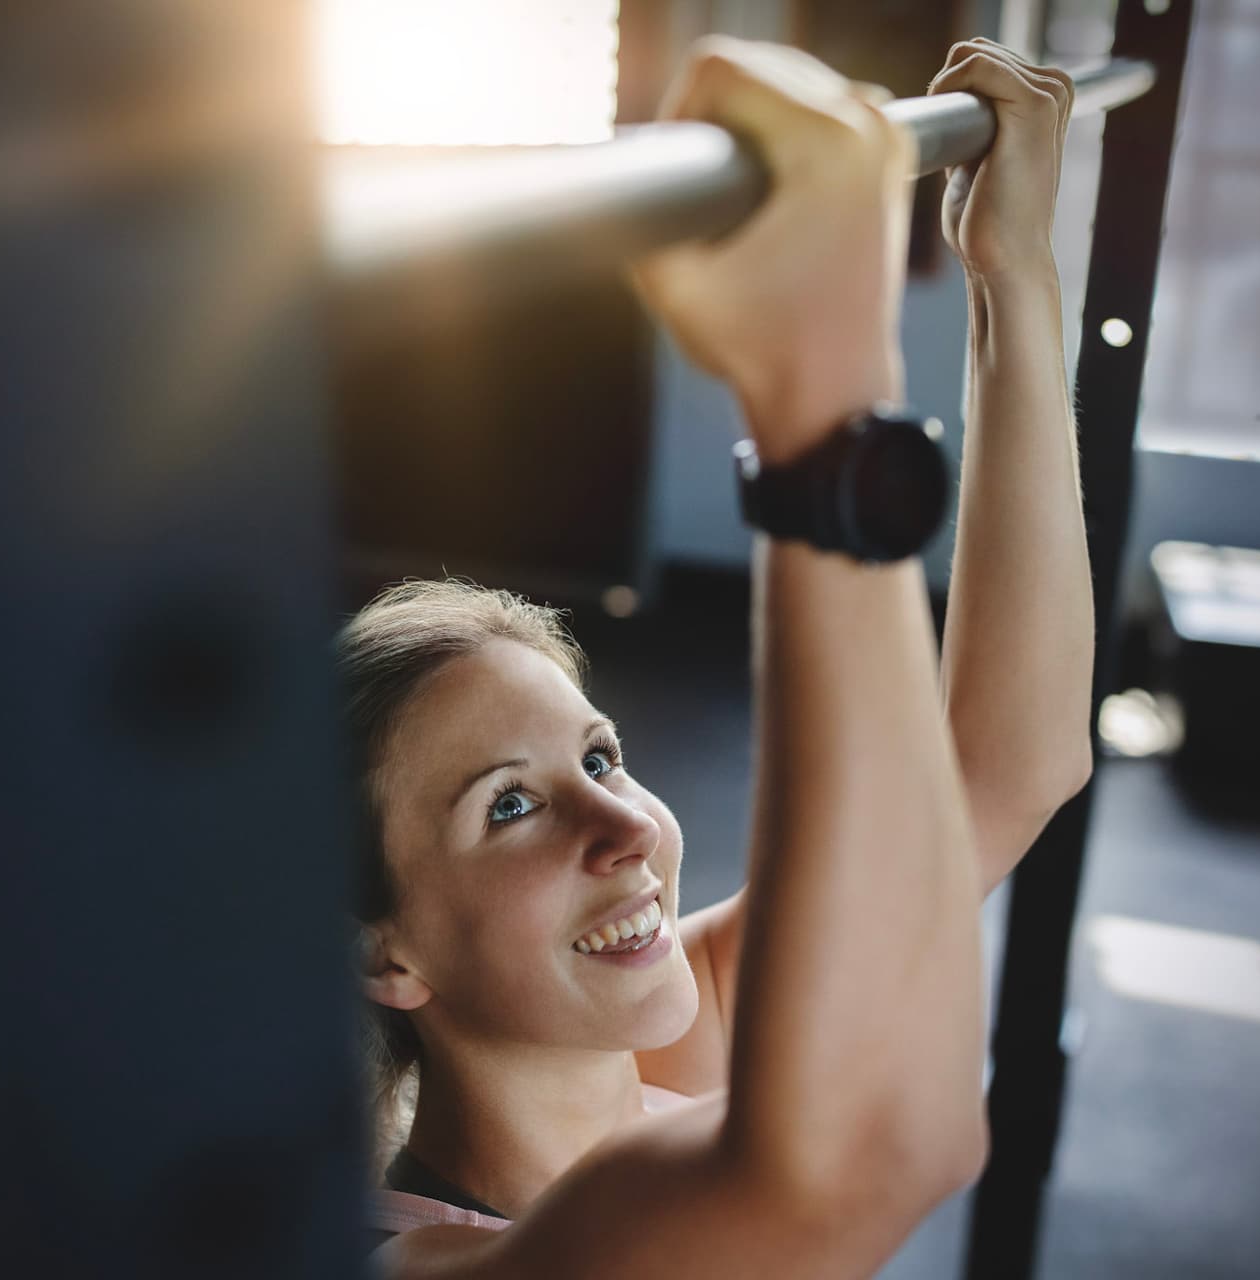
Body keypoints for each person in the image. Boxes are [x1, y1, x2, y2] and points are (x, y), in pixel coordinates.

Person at [344, 35, 1096, 1277]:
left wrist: (1014, 272)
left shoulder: (654, 1046)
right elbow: (873, 1147)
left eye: (601, 754)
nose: (627, 826)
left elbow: (1006, 763)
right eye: (512, 804)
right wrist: (816, 395)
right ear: (386, 949)